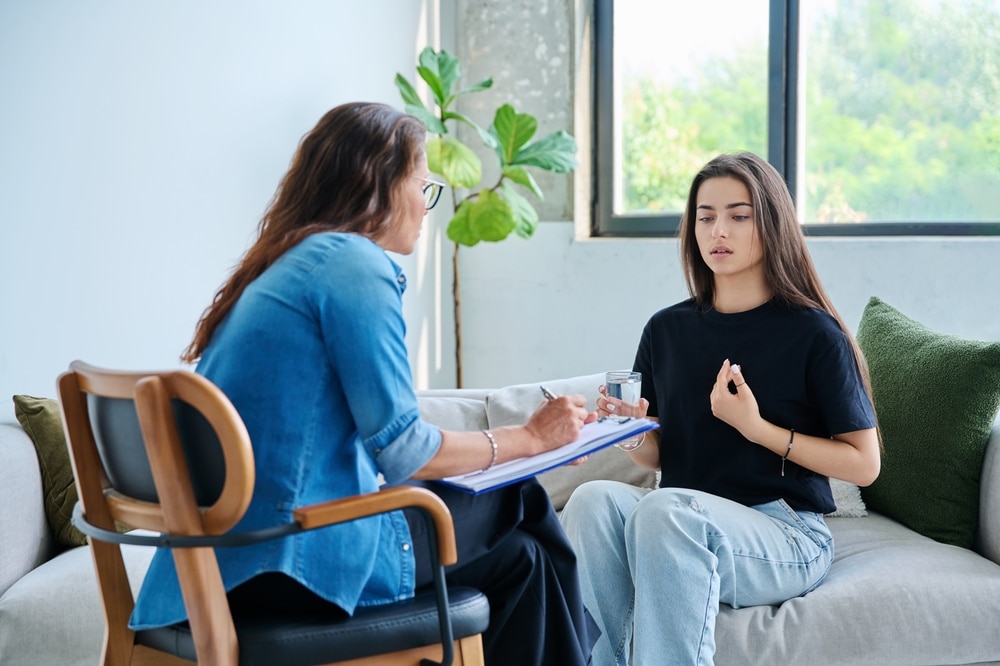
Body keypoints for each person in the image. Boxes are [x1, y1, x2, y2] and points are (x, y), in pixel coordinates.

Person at [128, 101, 599, 665]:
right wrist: (532, 440)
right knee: (522, 500)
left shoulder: (289, 264)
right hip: (288, 559)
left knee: (523, 558)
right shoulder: (354, 265)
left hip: (219, 561)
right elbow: (403, 450)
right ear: (379, 184)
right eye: (422, 186)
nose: (427, 210)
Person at [559, 151, 880, 666]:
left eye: (738, 215)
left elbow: (865, 464)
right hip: (681, 522)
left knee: (666, 511)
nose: (718, 231)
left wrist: (757, 429)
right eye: (705, 217)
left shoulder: (814, 333)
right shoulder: (666, 329)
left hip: (786, 531)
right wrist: (634, 432)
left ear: (770, 223)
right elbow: (659, 457)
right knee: (593, 500)